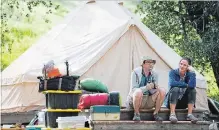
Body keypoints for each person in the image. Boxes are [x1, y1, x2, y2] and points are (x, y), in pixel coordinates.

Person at [126, 56, 166, 121]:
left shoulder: (155, 74)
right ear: (143, 64)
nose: (151, 64)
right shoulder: (135, 72)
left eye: (152, 62)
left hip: (148, 100)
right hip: (136, 100)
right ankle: (136, 114)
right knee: (138, 92)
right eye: (148, 62)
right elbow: (133, 90)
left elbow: (153, 92)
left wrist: (155, 88)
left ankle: (156, 113)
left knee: (162, 91)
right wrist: (147, 87)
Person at [164, 57, 198, 124]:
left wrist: (193, 73)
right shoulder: (173, 72)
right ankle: (172, 114)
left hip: (182, 102)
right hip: (171, 101)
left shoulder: (190, 74)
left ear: (188, 67)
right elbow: (172, 83)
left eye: (184, 65)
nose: (182, 66)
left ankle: (189, 115)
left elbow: (192, 85)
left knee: (193, 90)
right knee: (175, 88)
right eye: (181, 64)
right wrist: (186, 85)